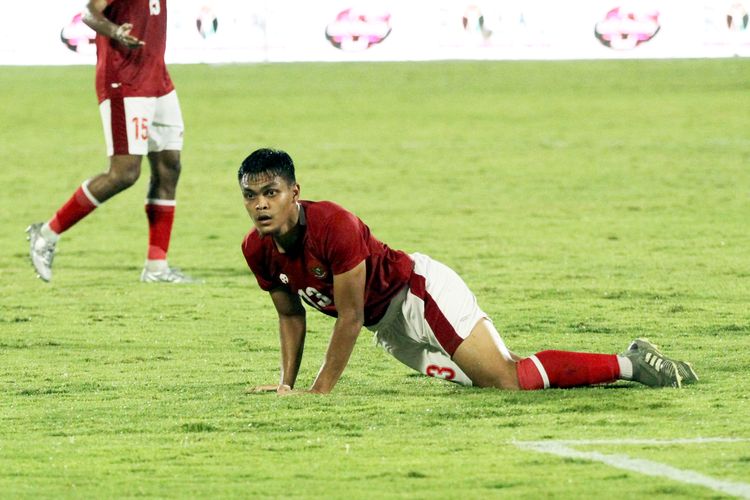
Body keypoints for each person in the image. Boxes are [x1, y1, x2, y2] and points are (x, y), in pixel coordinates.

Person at [239, 148, 698, 394]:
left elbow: (350, 317)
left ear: (295, 191)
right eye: (250, 195)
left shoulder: (333, 226)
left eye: (271, 192)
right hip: (391, 332)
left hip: (418, 295)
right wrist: (285, 385)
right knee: (485, 382)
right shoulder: (256, 249)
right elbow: (291, 316)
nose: (260, 204)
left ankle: (634, 364)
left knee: (505, 381)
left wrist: (317, 394)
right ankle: (627, 362)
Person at [26, 0, 198, 283]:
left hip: (158, 78)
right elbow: (89, 12)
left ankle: (157, 267)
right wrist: (116, 32)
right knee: (124, 173)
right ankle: (45, 234)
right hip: (124, 81)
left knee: (170, 166)